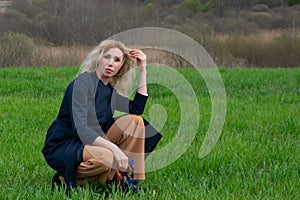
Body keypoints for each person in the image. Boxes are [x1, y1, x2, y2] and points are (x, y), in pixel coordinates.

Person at [41, 39, 162, 195]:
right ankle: (65, 179)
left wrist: (143, 70)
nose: (111, 63)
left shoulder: (109, 92)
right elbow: (81, 129)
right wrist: (116, 150)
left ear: (120, 68)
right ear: (98, 58)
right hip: (66, 143)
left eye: (117, 60)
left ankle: (125, 180)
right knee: (108, 157)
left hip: (92, 141)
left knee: (136, 122)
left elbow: (136, 109)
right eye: (107, 57)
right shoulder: (81, 84)